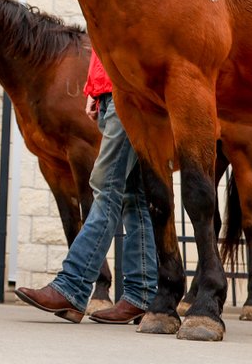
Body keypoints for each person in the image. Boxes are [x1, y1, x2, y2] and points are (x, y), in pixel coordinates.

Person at [14, 48, 157, 324]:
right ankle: (141, 294)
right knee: (133, 195)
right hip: (111, 93)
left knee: (105, 186)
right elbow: (104, 41)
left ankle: (72, 286)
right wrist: (95, 88)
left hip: (127, 92)